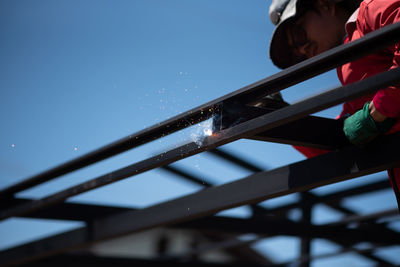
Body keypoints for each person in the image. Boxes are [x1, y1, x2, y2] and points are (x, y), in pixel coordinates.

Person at [268, 0, 400, 207]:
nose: (302, 50)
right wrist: (281, 121)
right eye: (295, 50)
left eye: (298, 34)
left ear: (324, 5)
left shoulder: (372, 10)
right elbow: (338, 141)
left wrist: (377, 113)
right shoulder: (349, 68)